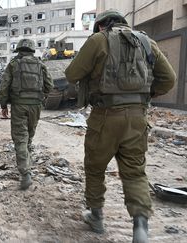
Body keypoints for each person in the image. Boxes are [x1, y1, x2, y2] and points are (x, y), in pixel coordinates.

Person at [65, 10, 176, 243]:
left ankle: (96, 217)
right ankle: (140, 228)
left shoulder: (98, 40)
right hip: (137, 118)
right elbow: (169, 79)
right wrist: (144, 94)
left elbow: (72, 73)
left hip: (105, 115)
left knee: (95, 168)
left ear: (101, 26)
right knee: (135, 172)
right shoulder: (147, 42)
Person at [0, 38, 53, 190]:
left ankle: (25, 173)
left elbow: (4, 86)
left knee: (20, 139)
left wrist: (3, 105)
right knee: (28, 137)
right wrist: (41, 99)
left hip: (19, 106)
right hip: (35, 106)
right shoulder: (40, 64)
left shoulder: (14, 64)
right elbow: (50, 85)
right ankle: (27, 167)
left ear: (19, 50)